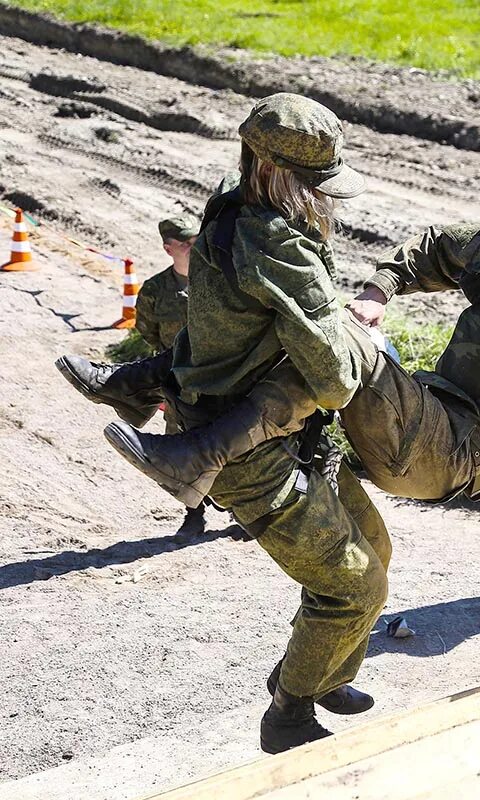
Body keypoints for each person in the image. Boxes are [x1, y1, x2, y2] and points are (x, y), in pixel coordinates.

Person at [59, 178, 480, 644]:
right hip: (425, 420)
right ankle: (149, 392)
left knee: (338, 342)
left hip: (466, 454)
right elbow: (434, 254)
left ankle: (190, 443)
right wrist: (378, 290)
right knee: (318, 327)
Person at [59, 93, 387, 755]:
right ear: (271, 171)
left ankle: (321, 673)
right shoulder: (273, 242)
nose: (326, 199)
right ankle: (288, 713)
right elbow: (334, 380)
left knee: (373, 552)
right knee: (353, 584)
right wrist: (354, 338)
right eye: (314, 185)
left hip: (281, 434)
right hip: (253, 458)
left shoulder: (230, 203)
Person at [135, 214, 205, 535]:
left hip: (221, 377)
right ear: (168, 249)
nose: (194, 247)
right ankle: (194, 513)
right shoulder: (154, 291)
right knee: (180, 448)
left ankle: (239, 513)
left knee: (234, 443)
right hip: (179, 383)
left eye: (197, 240)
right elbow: (148, 332)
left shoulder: (217, 281)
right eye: (187, 243)